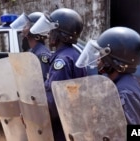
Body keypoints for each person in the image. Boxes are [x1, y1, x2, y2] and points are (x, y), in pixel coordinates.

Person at [30, 8, 88, 140]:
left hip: (62, 125)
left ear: (60, 34)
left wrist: (35, 117)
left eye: (52, 31)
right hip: (74, 121)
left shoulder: (62, 61)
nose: (49, 35)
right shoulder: (74, 55)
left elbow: (54, 100)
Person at [76, 27, 140, 124]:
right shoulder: (118, 82)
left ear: (111, 62)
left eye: (101, 55)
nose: (97, 58)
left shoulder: (125, 93)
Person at [13, 12, 51, 81]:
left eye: (27, 25)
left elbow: (43, 81)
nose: (23, 29)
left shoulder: (42, 55)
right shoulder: (32, 51)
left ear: (34, 30)